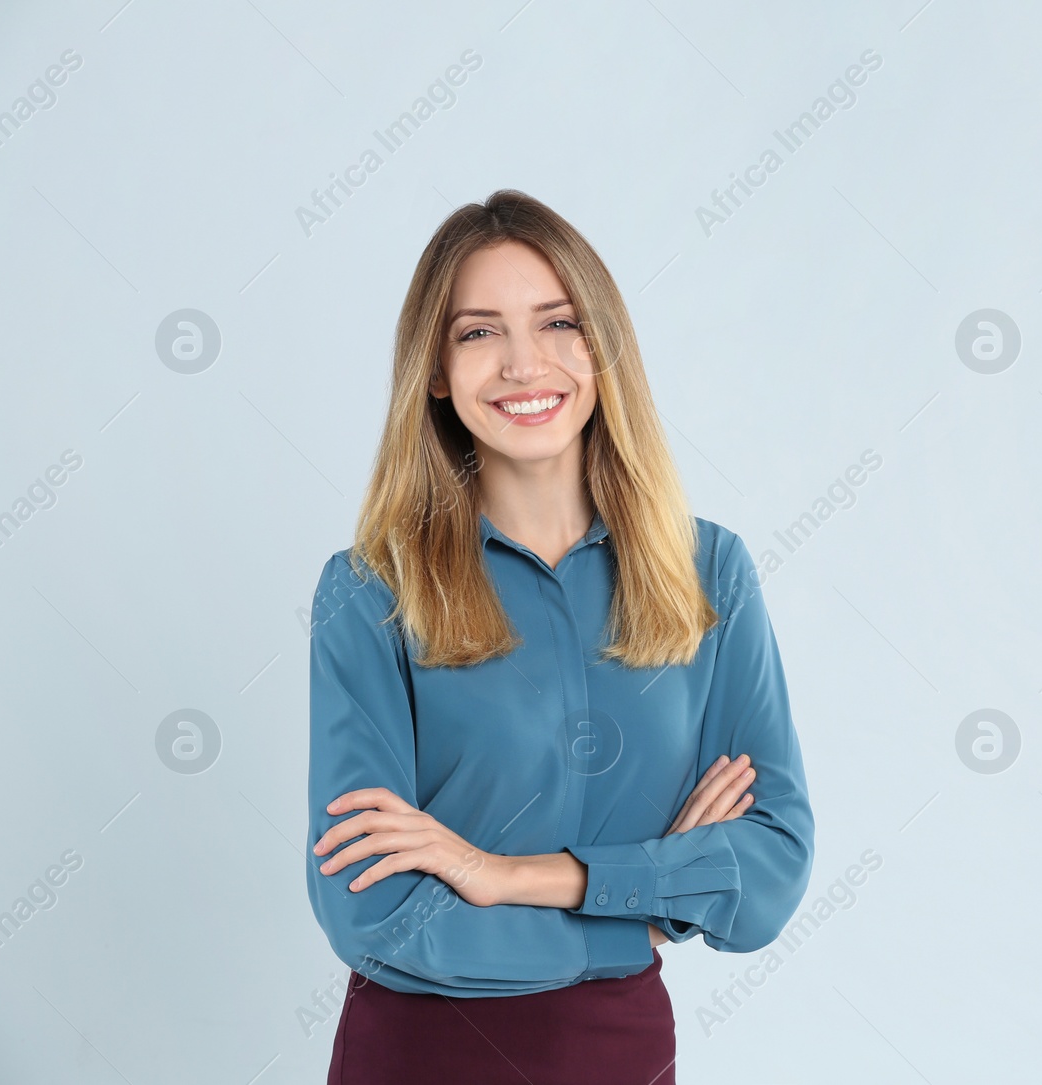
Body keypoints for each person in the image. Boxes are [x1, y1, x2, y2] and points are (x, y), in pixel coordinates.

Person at [305, 189, 814, 1083]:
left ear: (602, 348)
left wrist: (506, 875)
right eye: (477, 332)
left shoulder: (709, 573)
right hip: (423, 1056)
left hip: (622, 1052)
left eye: (558, 323)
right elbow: (375, 912)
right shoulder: (369, 591)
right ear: (434, 369)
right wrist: (644, 908)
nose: (523, 364)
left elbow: (767, 873)